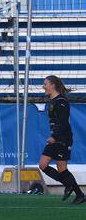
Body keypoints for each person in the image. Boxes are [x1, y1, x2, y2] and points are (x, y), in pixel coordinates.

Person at [38, 75, 84, 204]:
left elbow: (64, 123)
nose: (43, 86)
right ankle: (70, 186)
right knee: (43, 165)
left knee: (61, 168)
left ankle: (79, 194)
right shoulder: (53, 100)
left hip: (63, 138)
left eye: (45, 83)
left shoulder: (61, 101)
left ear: (52, 85)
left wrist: (54, 136)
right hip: (56, 137)